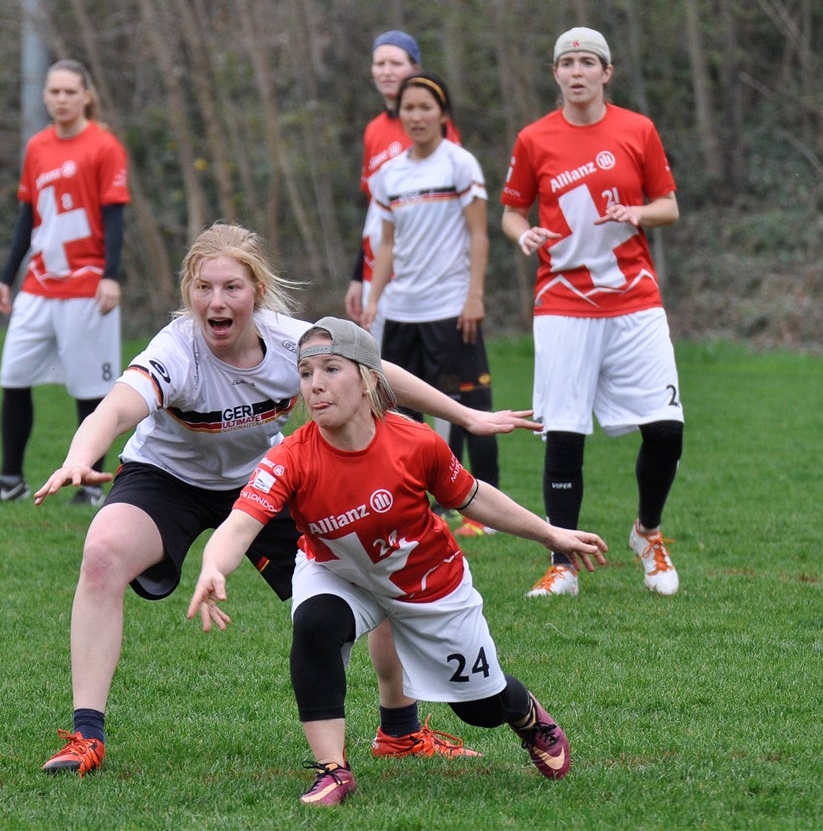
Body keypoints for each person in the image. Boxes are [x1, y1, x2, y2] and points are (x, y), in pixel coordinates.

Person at [31, 223, 541, 777]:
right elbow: (117, 408)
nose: (216, 301)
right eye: (203, 288)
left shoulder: (287, 341)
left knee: (376, 554)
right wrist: (81, 454)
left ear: (257, 290)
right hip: (168, 477)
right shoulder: (176, 349)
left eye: (231, 288)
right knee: (102, 551)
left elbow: (374, 369)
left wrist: (465, 416)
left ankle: (400, 729)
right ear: (188, 291)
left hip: (264, 478)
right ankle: (87, 736)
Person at [187, 317, 608, 806]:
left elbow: (474, 498)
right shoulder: (290, 458)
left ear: (368, 379)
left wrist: (550, 534)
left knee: (480, 708)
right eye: (305, 374)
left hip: (427, 582)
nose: (316, 384)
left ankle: (527, 715)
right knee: (316, 623)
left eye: (331, 369)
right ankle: (332, 770)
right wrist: (214, 566)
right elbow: (240, 523)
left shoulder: (415, 442)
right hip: (339, 572)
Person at [500, 27, 684, 598]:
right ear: (555, 74)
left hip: (634, 298)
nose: (577, 71)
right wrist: (523, 233)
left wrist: (638, 212)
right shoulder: (534, 138)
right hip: (562, 302)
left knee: (667, 431)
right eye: (567, 62)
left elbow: (669, 206)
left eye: (588, 62)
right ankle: (564, 564)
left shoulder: (638, 130)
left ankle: (647, 534)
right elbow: (509, 211)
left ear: (606, 73)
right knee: (565, 433)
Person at [0, 59, 129, 507]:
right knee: (13, 378)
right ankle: (11, 480)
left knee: (90, 391)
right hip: (38, 287)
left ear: (86, 95)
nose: (61, 99)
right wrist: (7, 276)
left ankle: (90, 486)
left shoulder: (105, 147)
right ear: (45, 96)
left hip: (87, 287)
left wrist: (111, 276)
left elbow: (115, 219)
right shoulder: (38, 147)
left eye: (69, 92)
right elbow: (27, 218)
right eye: (54, 92)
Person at [361, 72, 500, 540]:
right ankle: (417, 508)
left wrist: (474, 295)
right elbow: (385, 246)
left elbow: (479, 234)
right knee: (402, 414)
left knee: (471, 403)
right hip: (402, 314)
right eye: (408, 108)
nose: (416, 116)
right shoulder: (389, 175)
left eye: (425, 107)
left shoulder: (460, 164)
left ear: (443, 113)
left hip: (451, 308)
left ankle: (484, 511)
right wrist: (372, 301)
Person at [344, 30, 461, 343]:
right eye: (379, 63)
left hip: (424, 282)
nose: (386, 71)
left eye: (395, 63)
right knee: (383, 377)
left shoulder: (436, 128)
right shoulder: (373, 131)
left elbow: (452, 210)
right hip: (377, 276)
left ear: (415, 69)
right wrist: (358, 277)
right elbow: (376, 212)